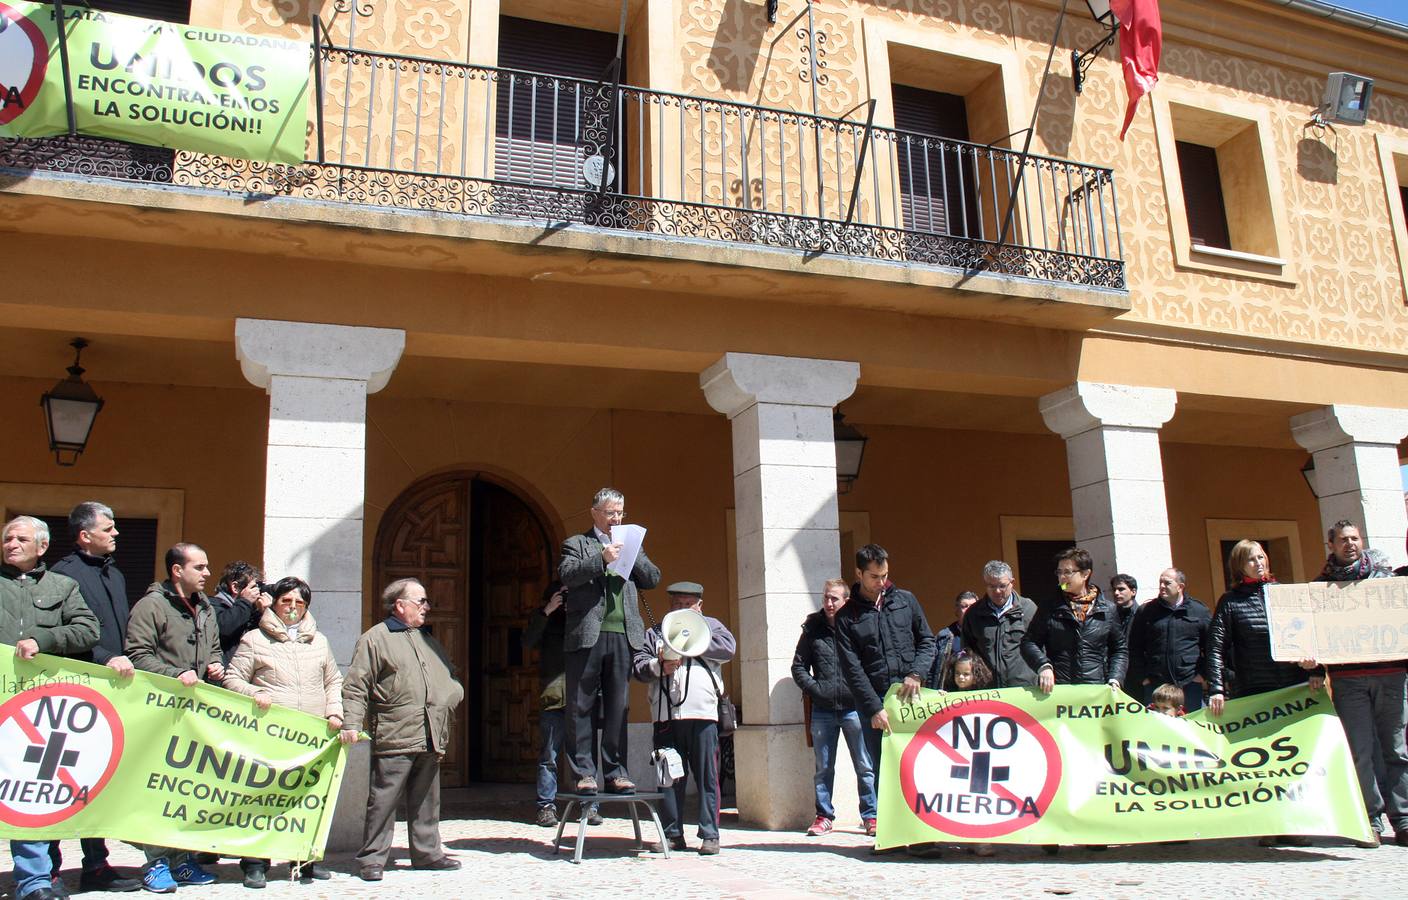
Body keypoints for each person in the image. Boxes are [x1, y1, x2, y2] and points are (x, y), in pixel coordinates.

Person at [2, 516, 100, 900]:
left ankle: (35, 880)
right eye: (7, 537)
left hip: (38, 711)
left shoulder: (64, 586)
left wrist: (44, 639)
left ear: (42, 547)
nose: (11, 543)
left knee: (29, 791)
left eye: (20, 538)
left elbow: (88, 630)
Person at [46, 502, 142, 893]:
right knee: (61, 780)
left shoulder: (115, 574)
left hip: (111, 692)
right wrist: (106, 658)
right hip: (75, 691)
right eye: (109, 528)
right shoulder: (61, 576)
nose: (116, 533)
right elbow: (67, 635)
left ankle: (96, 864)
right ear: (85, 535)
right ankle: (49, 868)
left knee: (100, 778)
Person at [341, 578, 464, 881]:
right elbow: (356, 686)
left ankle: (427, 854)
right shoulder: (375, 639)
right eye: (420, 601)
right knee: (384, 799)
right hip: (395, 732)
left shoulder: (427, 639)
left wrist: (453, 694)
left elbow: (449, 674)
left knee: (427, 799)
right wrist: (352, 723)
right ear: (400, 605)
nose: (427, 607)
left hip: (431, 731)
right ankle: (372, 859)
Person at [224, 577, 344, 887]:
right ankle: (255, 862)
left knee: (306, 799)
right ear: (274, 603)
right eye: (286, 602)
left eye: (299, 604)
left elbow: (333, 681)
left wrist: (334, 710)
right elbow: (232, 678)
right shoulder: (255, 639)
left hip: (311, 736)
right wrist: (254, 694)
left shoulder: (320, 641)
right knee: (261, 798)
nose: (292, 608)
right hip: (271, 734)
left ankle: (304, 859)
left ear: (307, 608)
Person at [125, 542, 225, 891]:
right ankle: (155, 864)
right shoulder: (150, 606)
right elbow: (137, 653)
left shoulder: (207, 608)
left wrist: (216, 664)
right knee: (159, 791)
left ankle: (183, 860)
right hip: (160, 710)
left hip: (194, 713)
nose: (207, 573)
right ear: (177, 570)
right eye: (200, 567)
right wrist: (174, 674)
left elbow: (213, 648)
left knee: (187, 791)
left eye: (207, 567)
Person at [1205, 539, 1314, 848]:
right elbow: (1216, 648)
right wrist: (1217, 688)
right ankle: (1266, 821)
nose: (1259, 563)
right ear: (1239, 565)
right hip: (1254, 688)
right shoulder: (1230, 602)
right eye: (1251, 559)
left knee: (1291, 757)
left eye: (1261, 557)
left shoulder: (1285, 596)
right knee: (1262, 762)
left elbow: (1308, 636)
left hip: (1291, 688)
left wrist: (1315, 671)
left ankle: (1293, 822)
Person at [559, 488, 661, 794]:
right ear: (594, 513)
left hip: (623, 634)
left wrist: (633, 554)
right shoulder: (576, 543)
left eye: (620, 513)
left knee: (619, 706)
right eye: (610, 513)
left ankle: (616, 771)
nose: (615, 518)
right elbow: (567, 574)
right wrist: (601, 558)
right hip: (587, 634)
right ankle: (584, 773)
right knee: (581, 705)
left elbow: (653, 578)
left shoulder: (630, 542)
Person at [1314, 520, 1407, 848]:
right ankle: (1370, 820)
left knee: (1397, 749)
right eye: (1343, 539)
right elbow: (1315, 633)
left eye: (1354, 538)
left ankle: (1404, 819)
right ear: (1331, 545)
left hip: (1392, 674)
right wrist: (1312, 663)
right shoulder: (1321, 587)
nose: (1350, 544)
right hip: (1348, 678)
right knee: (1360, 752)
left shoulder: (1387, 580)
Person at [834, 544, 935, 842]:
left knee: (920, 764)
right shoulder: (846, 617)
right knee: (884, 769)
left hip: (913, 700)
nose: (881, 582)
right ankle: (893, 835)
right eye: (875, 576)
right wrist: (873, 708)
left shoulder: (905, 600)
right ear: (859, 574)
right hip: (876, 706)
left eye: (885, 575)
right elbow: (852, 669)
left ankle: (922, 833)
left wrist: (916, 673)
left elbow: (927, 641)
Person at [633, 582, 735, 855]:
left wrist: (693, 640)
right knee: (669, 775)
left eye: (687, 604)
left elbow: (728, 650)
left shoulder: (713, 627)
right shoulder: (656, 631)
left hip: (702, 713)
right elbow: (639, 666)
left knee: (707, 776)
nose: (682, 609)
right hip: (666, 714)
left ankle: (709, 834)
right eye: (677, 604)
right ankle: (672, 834)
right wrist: (659, 665)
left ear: (699, 605)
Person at [791, 578, 877, 838]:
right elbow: (798, 667)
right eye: (826, 598)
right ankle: (823, 816)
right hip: (823, 709)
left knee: (865, 765)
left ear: (846, 600)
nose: (829, 603)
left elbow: (873, 664)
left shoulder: (859, 625)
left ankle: (871, 815)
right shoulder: (813, 628)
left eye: (834, 599)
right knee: (823, 767)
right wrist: (816, 689)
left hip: (856, 709)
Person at [521, 581, 602, 828]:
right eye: (563, 595)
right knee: (549, 755)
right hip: (554, 698)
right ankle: (546, 807)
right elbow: (527, 642)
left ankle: (589, 806)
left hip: (583, 699)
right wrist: (547, 610)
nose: (567, 600)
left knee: (585, 756)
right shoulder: (546, 622)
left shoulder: (586, 623)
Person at [1023, 547, 1128, 694]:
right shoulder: (1050, 606)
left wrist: (1115, 679)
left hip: (1096, 690)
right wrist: (1043, 666)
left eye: (1067, 572)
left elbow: (1119, 650)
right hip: (1059, 689)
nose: (1062, 577)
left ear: (1085, 574)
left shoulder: (1108, 609)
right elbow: (1029, 642)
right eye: (1059, 572)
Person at [1126, 568, 1211, 710]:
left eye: (1167, 583)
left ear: (1180, 586)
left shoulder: (1199, 611)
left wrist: (1202, 675)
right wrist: (1143, 678)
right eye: (1160, 582)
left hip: (1189, 684)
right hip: (1156, 684)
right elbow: (1134, 647)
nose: (1162, 586)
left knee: (1189, 727)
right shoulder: (1146, 611)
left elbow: (1212, 646)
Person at [938, 651, 997, 858]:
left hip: (979, 759)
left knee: (980, 798)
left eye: (966, 674)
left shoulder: (985, 698)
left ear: (976, 675)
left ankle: (980, 839)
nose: (961, 678)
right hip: (957, 758)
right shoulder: (948, 696)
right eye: (957, 674)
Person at [961, 561, 1038, 689]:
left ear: (1012, 583)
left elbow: (1041, 646)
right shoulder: (974, 614)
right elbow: (968, 651)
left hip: (1024, 688)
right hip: (988, 690)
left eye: (1002, 586)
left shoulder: (1028, 608)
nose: (997, 591)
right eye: (991, 586)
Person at [210, 560, 271, 665]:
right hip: (221, 674)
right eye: (254, 587)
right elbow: (224, 629)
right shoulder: (212, 605)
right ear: (235, 587)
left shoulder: (247, 611)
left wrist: (262, 613)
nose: (258, 591)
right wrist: (245, 601)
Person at [925, 591, 977, 690]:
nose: (969, 610)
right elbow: (932, 670)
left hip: (980, 694)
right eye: (964, 606)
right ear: (957, 610)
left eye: (972, 606)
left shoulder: (985, 635)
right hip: (949, 694)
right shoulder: (944, 637)